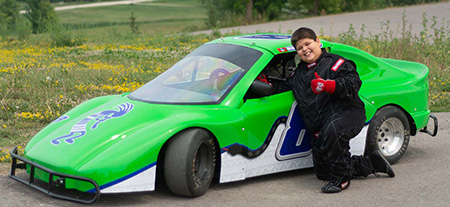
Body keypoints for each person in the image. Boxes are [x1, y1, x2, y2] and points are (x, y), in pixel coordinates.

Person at [285, 27, 395, 193]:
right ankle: (371, 163)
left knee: (333, 130)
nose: (305, 49)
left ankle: (341, 180)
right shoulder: (298, 75)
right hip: (321, 123)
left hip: (348, 113)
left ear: (318, 42)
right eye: (300, 48)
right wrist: (262, 84)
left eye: (308, 44)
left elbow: (353, 83)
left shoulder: (335, 62)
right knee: (322, 172)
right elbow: (283, 86)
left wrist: (329, 85)